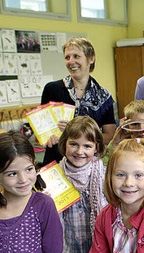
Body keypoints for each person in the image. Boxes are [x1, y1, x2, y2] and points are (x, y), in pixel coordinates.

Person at [41, 37, 117, 165]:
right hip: (56, 162)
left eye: (76, 56)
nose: (71, 61)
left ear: (91, 58)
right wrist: (48, 137)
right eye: (67, 57)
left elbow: (109, 135)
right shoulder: (52, 89)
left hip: (87, 165)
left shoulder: (104, 97)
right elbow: (43, 129)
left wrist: (76, 132)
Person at [57, 115, 108, 253]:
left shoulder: (104, 176)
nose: (80, 151)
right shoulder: (55, 177)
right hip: (67, 250)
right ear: (64, 143)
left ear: (96, 148)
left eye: (87, 146)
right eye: (73, 144)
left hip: (98, 250)